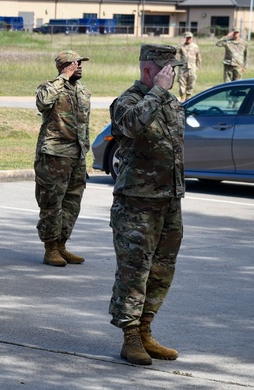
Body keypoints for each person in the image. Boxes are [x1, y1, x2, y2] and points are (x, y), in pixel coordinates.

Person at [108, 44, 185, 366]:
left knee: (161, 271)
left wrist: (163, 95)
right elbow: (131, 125)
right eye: (167, 70)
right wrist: (157, 93)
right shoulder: (127, 101)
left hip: (169, 199)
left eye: (174, 70)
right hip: (136, 203)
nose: (172, 76)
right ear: (148, 71)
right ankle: (130, 338)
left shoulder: (171, 103)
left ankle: (145, 330)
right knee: (134, 271)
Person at [35, 51, 91, 267]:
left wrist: (84, 150)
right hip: (55, 154)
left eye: (80, 63)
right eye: (74, 63)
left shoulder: (83, 91)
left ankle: (61, 245)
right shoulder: (50, 87)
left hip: (77, 155)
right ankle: (50, 248)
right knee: (52, 203)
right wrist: (62, 78)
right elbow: (43, 102)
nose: (79, 66)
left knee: (72, 203)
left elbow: (84, 125)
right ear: (63, 66)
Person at [175, 32, 201, 100]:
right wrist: (181, 43)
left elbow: (198, 57)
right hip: (183, 68)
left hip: (191, 68)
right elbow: (175, 51)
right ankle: (182, 97)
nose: (188, 39)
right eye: (187, 38)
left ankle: (188, 97)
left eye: (190, 38)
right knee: (181, 84)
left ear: (192, 38)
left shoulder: (195, 46)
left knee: (191, 83)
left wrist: (197, 66)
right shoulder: (182, 46)